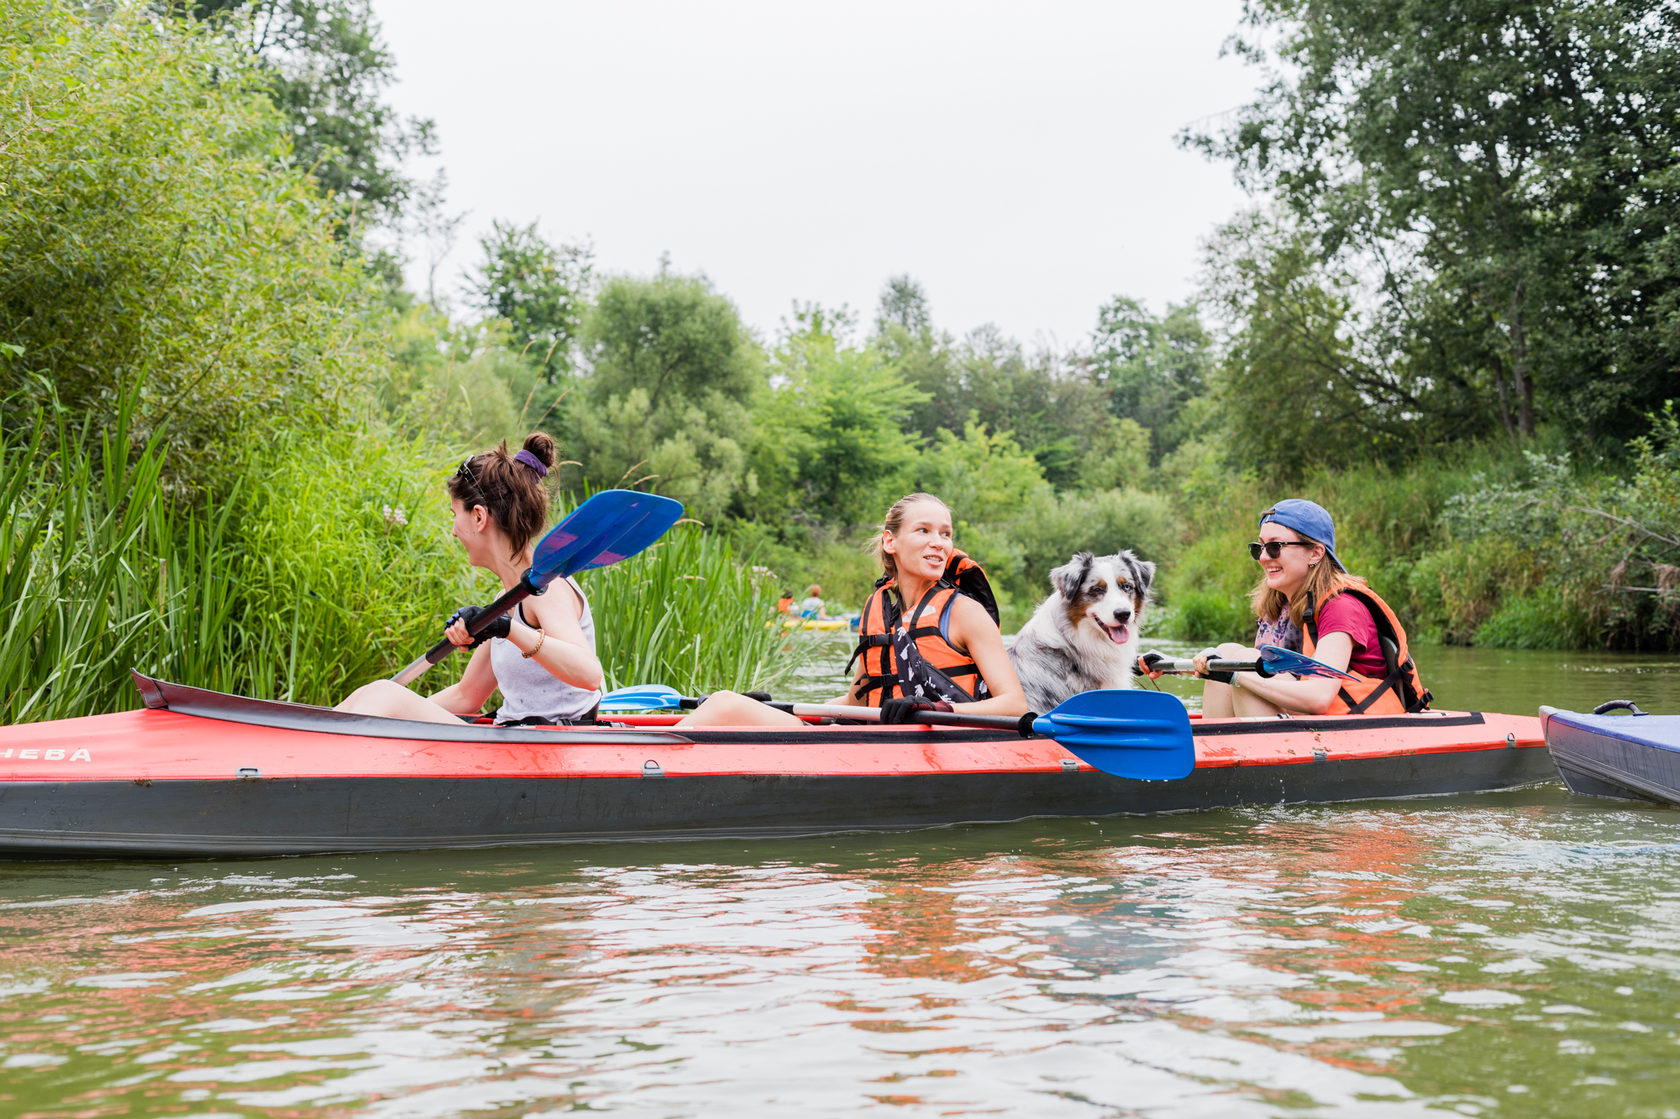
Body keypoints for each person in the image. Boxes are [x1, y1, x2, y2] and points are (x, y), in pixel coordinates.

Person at [681, 492, 1028, 727]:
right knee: (730, 707)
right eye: (923, 530)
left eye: (946, 533)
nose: (939, 542)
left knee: (725, 704)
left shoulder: (965, 612)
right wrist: (768, 707)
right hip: (878, 741)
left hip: (942, 744)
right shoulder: (878, 609)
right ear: (890, 541)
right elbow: (858, 701)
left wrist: (938, 708)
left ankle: (642, 758)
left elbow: (1015, 705)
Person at [336, 434, 603, 726]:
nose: (453, 530)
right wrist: (394, 714)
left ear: (478, 517)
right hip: (516, 741)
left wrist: (505, 628)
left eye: (455, 514)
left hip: (547, 751)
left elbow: (589, 675)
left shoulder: (547, 589)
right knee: (376, 695)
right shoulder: (508, 599)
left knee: (384, 695)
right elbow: (468, 696)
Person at [1190, 499, 1429, 717]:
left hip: (1355, 729)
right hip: (1309, 726)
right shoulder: (1281, 604)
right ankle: (1216, 755)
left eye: (1275, 547)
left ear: (1315, 553)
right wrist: (1209, 666)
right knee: (1226, 652)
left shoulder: (1341, 606)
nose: (1263, 557)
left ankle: (1244, 758)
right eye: (1259, 547)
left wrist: (1235, 675)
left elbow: (1318, 697)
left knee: (1245, 662)